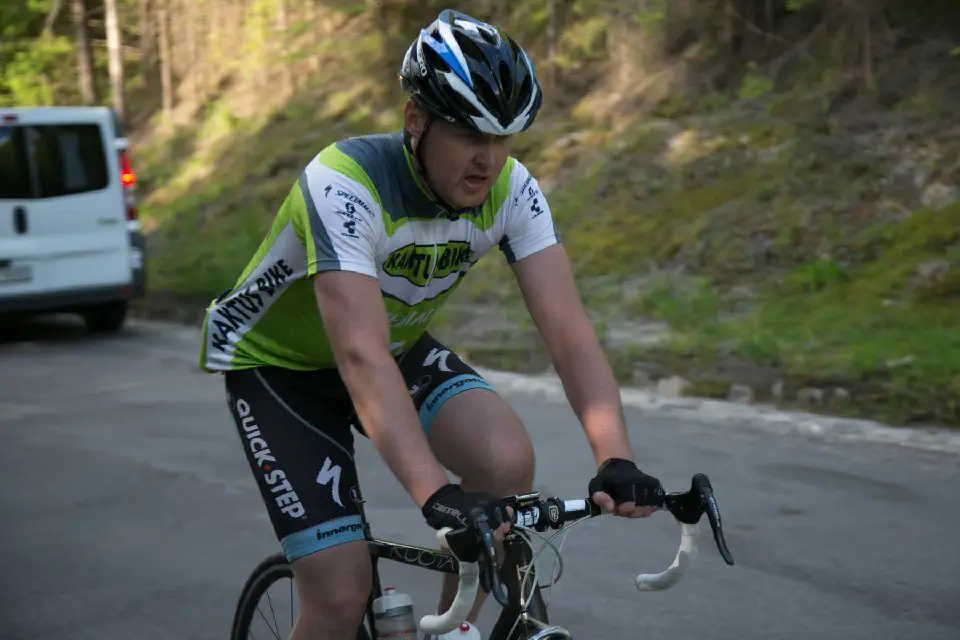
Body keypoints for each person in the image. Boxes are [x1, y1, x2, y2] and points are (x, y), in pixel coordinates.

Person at [198, 9, 666, 640]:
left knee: (505, 464)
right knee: (340, 592)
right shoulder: (344, 183)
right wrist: (434, 495)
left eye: (504, 138)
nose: (488, 160)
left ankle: (451, 634)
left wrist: (616, 458)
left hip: (394, 347)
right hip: (282, 370)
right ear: (415, 120)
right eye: (470, 134)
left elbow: (570, 335)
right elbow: (360, 357)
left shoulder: (512, 189)